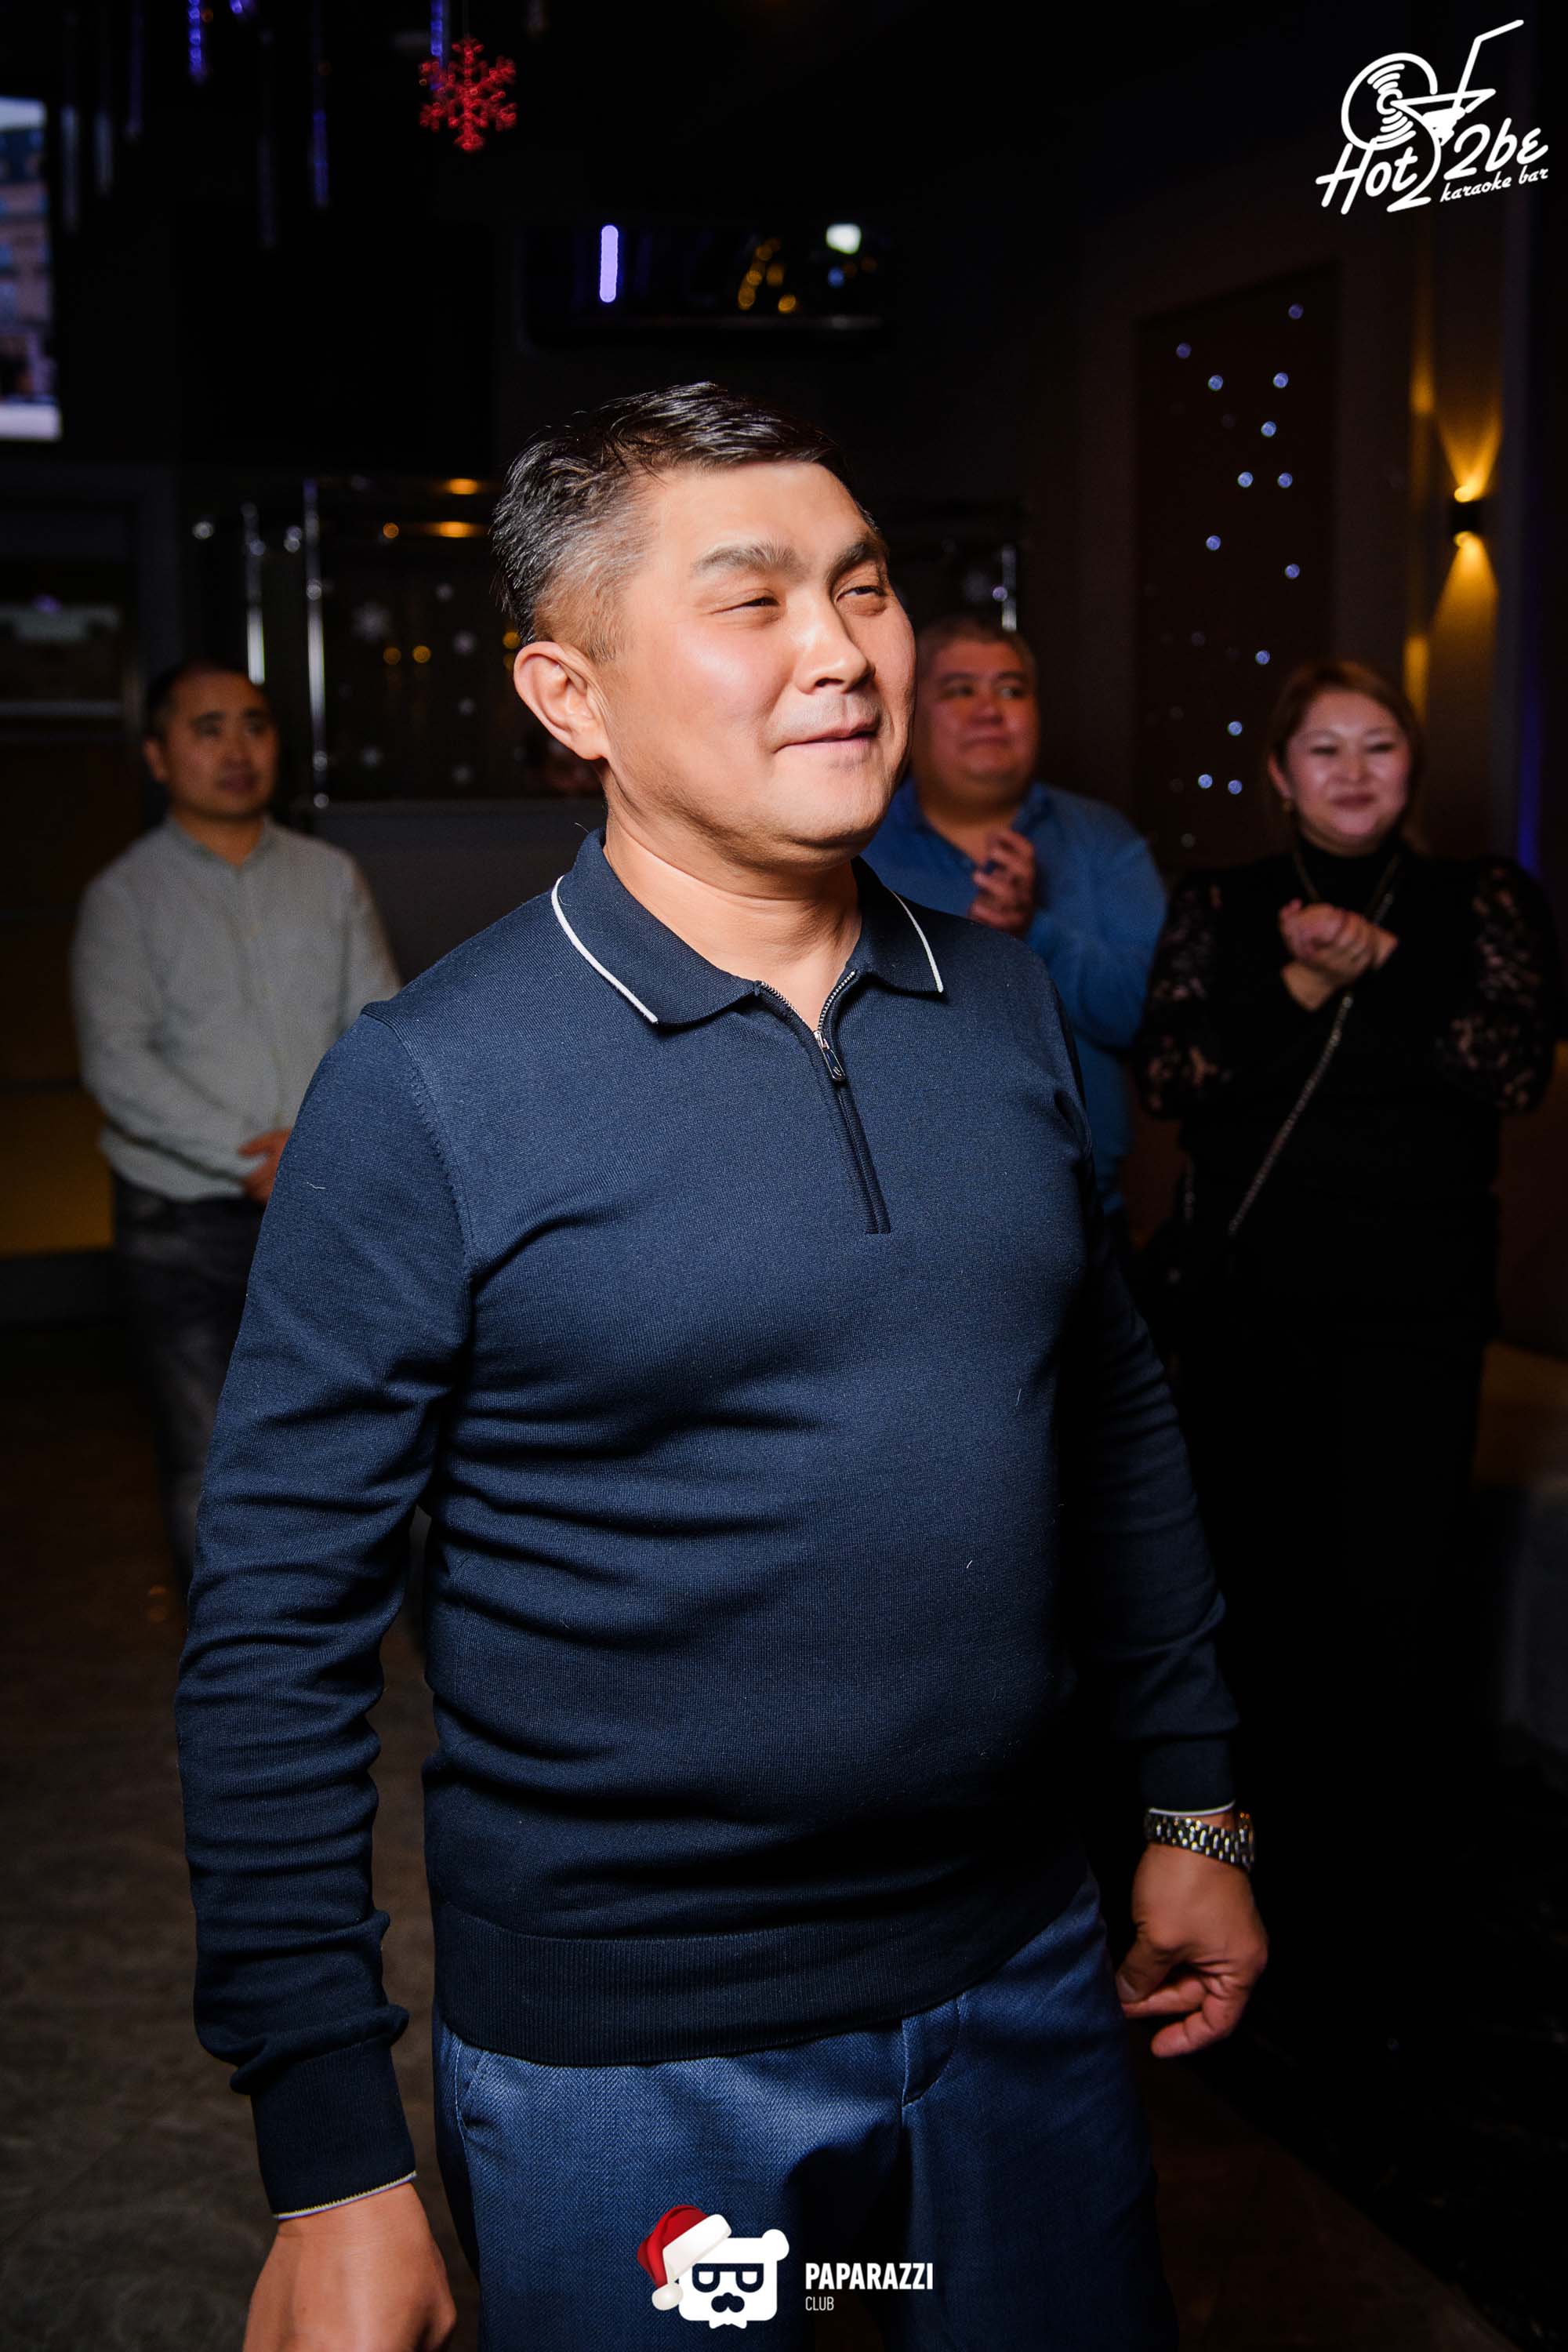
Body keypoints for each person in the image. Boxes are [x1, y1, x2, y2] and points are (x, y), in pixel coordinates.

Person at [176, 384, 1265, 2352]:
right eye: (752, 600)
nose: (841, 651)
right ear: (568, 692)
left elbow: (1108, 1420)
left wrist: (1192, 1805)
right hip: (634, 2051)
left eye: (862, 588)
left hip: (1020, 1974)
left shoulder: (999, 1002)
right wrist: (327, 2147)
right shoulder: (427, 1089)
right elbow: (274, 1624)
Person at [1132, 658, 1560, 2036]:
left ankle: (1384, 1909)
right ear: (1280, 771)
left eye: (1379, 746)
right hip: (1251, 1309)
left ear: (1411, 765)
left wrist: (1383, 968)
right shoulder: (1223, 904)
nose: (1355, 772)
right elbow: (1172, 1075)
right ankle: (1240, 1886)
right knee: (1256, 1593)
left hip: (1416, 1318)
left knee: (1397, 1600)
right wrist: (1301, 988)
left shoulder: (1479, 901)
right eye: (1326, 749)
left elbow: (1513, 1067)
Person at [71, 661, 398, 1593]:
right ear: (157, 756)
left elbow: (379, 1022)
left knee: (358, 1438)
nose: (236, 749)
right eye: (206, 728)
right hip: (182, 1221)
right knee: (209, 1455)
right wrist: (251, 1153)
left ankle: (350, 1638)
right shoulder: (124, 896)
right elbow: (119, 1063)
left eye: (253, 725)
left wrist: (317, 1149)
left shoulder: (330, 876)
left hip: (326, 1200)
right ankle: (237, 1657)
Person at [862, 614, 1167, 1219]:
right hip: (902, 1208)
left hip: (1087, 1211)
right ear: (909, 715)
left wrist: (1033, 931)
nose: (989, 710)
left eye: (1011, 690)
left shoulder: (1101, 840)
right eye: (959, 690)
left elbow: (1150, 1018)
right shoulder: (854, 847)